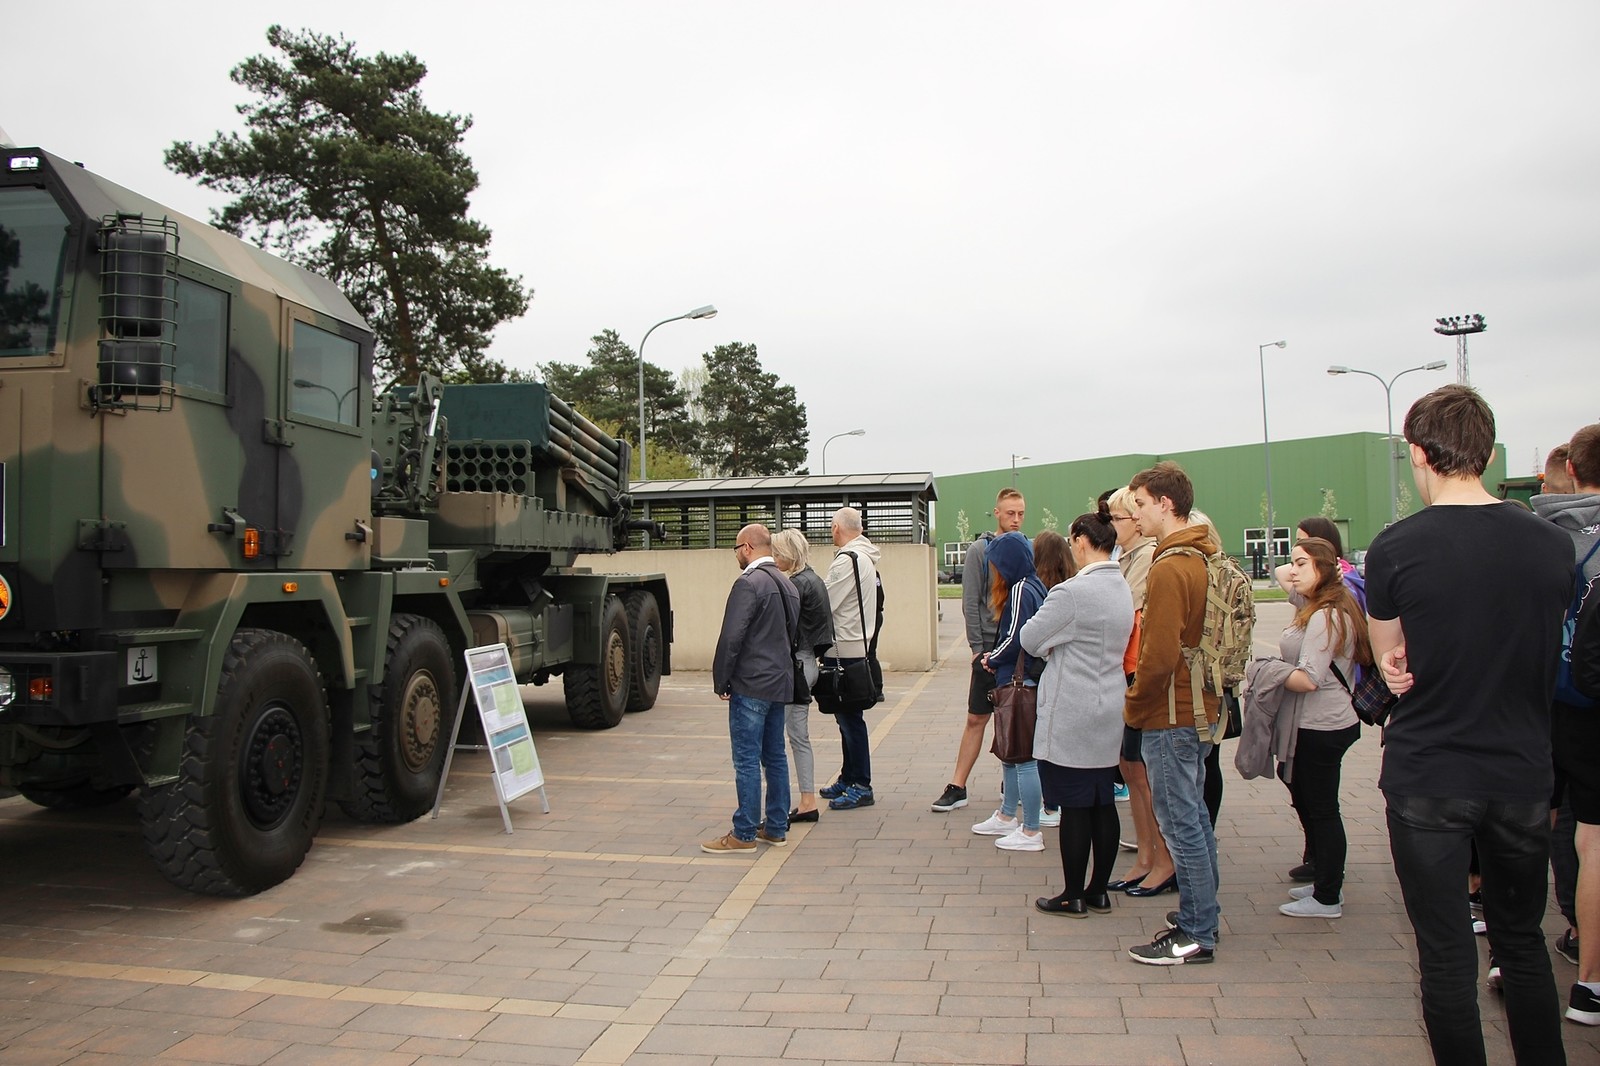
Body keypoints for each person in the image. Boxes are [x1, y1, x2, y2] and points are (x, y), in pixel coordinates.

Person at [1367, 385, 1571, 1064]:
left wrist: (1397, 665)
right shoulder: (1551, 544)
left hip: (1429, 774)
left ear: (1419, 453)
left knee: (1447, 953)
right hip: (1521, 773)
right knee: (1522, 942)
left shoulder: (1396, 547)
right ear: (1486, 451)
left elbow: (1389, 654)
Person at [1123, 462, 1221, 966]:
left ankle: (1196, 931)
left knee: (1180, 823)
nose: (1135, 513)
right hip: (1199, 707)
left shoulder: (1168, 567)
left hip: (1170, 712)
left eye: (1140, 504)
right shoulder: (1202, 555)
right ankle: (1202, 916)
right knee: (1195, 818)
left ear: (1166, 504)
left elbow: (1158, 656)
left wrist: (1134, 706)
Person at [1023, 510, 1134, 915]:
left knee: (1074, 806)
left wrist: (1056, 646)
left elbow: (1030, 638)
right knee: (1102, 800)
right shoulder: (1121, 585)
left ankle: (1073, 893)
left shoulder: (1070, 592)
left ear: (1082, 541)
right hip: (1109, 703)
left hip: (1072, 708)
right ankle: (1098, 890)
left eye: (1073, 541)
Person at [1532, 423, 1600, 1025]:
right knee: (1594, 838)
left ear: (1571, 471)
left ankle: (1516, 951)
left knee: (1533, 821)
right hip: (1593, 703)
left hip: (1543, 700)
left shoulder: (1539, 536)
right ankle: (1590, 982)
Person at [1273, 536, 1367, 918]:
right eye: (1294, 561)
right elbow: (1281, 573)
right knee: (1312, 803)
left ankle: (1328, 895)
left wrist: (1268, 672)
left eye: (1302, 563)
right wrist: (1308, 563)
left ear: (1324, 569)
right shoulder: (1319, 603)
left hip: (1323, 724)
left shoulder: (1326, 615)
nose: (1292, 571)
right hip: (1317, 722)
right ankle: (1325, 880)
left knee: (1322, 809)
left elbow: (1309, 678)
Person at [704, 524, 800, 854]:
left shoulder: (748, 583)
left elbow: (732, 636)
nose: (736, 556)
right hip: (780, 682)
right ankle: (775, 827)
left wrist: (721, 679)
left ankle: (743, 833)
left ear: (746, 547)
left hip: (751, 683)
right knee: (775, 757)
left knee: (746, 760)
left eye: (736, 550)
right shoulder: (787, 584)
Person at [932, 488, 1026, 813]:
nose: (1016, 519)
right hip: (987, 649)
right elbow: (970, 601)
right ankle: (958, 785)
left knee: (1014, 718)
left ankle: (1011, 782)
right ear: (997, 513)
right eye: (1010, 513)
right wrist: (976, 649)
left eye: (1021, 513)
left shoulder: (1025, 549)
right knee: (976, 718)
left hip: (1016, 649)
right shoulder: (980, 550)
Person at [1105, 485, 1175, 897]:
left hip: (1139, 673)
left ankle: (1163, 860)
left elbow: (1123, 609)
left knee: (1143, 773)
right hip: (1128, 669)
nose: (1111, 525)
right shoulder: (1127, 556)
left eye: (1116, 518)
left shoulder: (1147, 556)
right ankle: (1146, 856)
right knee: (1132, 770)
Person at [968, 531, 1048, 850]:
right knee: (1011, 754)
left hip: (1017, 682)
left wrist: (992, 658)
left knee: (1022, 758)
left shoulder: (1019, 589)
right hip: (1025, 679)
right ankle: (1006, 815)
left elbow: (1016, 637)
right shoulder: (1035, 585)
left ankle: (1030, 830)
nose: (995, 572)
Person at [771, 528, 834, 824]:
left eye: (777, 553)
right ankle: (807, 801)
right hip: (808, 664)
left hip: (794, 667)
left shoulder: (794, 585)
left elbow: (783, 629)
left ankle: (786, 807)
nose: (773, 558)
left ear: (788, 554)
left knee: (779, 739)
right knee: (799, 737)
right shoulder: (814, 579)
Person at [820, 507, 881, 811]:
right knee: (846, 719)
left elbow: (824, 602)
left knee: (850, 721)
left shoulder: (847, 560)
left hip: (844, 651)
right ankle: (848, 777)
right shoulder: (864, 557)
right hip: (856, 648)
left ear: (836, 527)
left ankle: (861, 785)